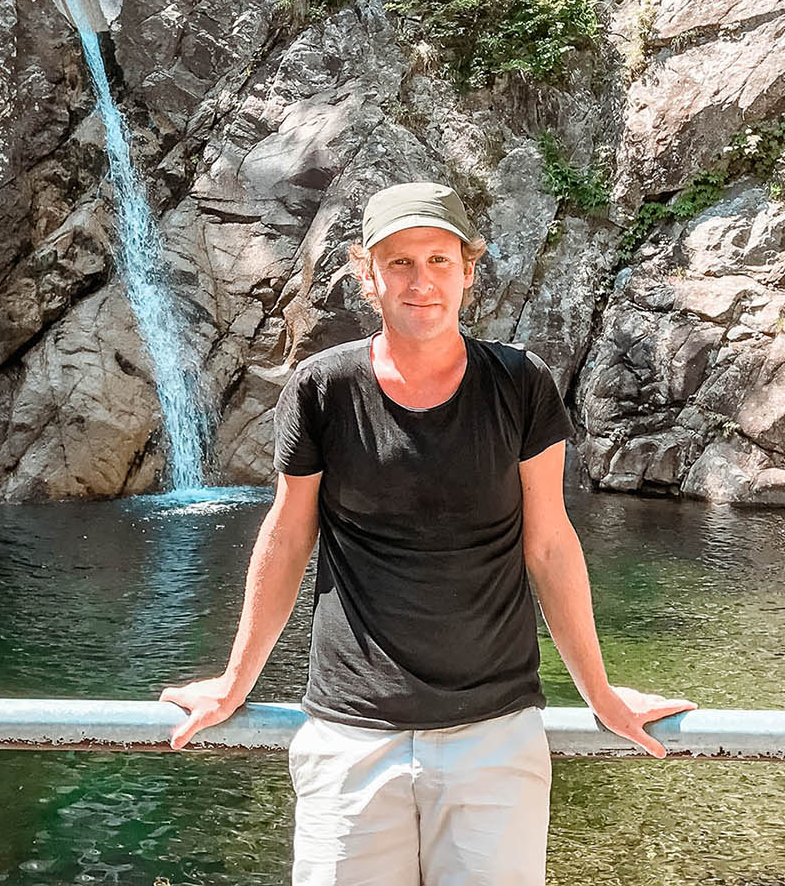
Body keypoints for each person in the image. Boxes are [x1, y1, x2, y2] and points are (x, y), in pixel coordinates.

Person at [160, 180, 697, 886]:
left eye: (440, 261)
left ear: (469, 271)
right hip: (351, 736)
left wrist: (597, 691)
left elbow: (549, 543)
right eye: (401, 262)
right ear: (368, 275)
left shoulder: (519, 383)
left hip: (494, 736)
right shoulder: (324, 389)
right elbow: (287, 536)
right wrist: (235, 683)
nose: (422, 282)